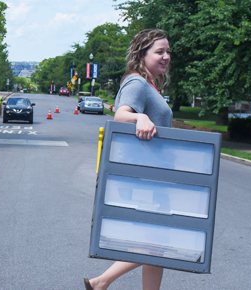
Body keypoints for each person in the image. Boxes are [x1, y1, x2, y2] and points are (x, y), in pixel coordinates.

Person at [85, 28, 173, 290]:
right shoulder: (137, 83)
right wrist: (139, 117)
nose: (166, 56)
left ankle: (101, 283)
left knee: (156, 244)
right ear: (141, 54)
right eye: (159, 52)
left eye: (168, 51)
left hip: (155, 175)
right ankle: (101, 281)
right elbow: (121, 116)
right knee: (158, 241)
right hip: (146, 177)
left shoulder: (151, 86)